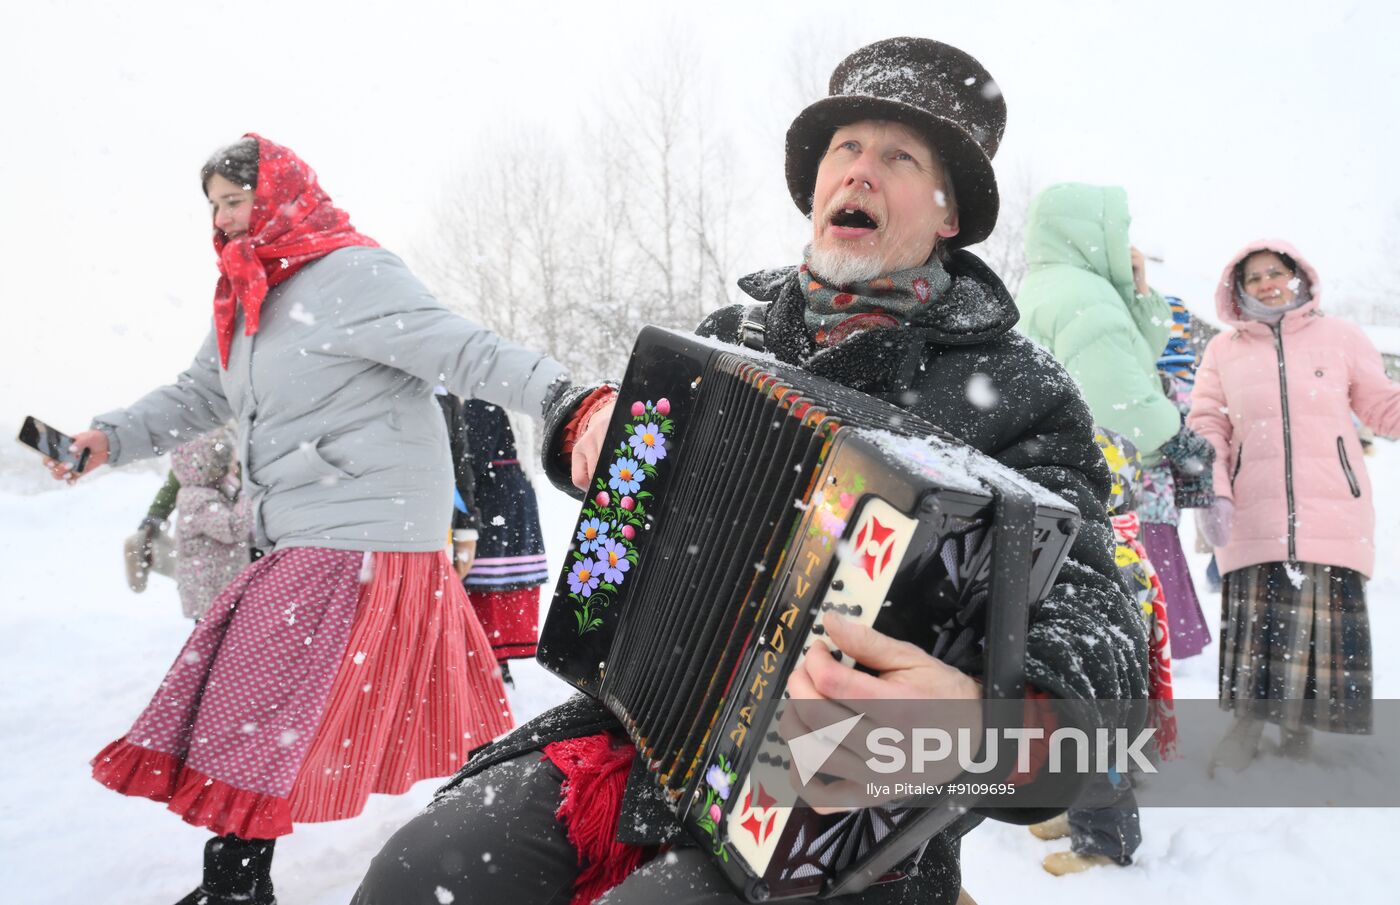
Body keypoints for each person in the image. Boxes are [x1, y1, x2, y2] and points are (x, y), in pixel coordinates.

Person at [353, 37, 1148, 905]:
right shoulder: (732, 337)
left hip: (836, 784)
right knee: (421, 872)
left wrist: (976, 722)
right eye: (845, 147)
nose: (860, 170)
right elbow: (642, 503)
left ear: (948, 213)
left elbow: (1097, 632)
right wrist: (592, 427)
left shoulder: (1023, 392)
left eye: (900, 157)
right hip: (645, 732)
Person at [42, 134, 570, 905]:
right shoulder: (245, 297)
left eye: (236, 200)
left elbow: (466, 351)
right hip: (308, 527)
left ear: (280, 195)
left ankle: (244, 886)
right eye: (214, 206)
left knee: (253, 702)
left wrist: (568, 401)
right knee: (306, 707)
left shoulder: (351, 272)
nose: (223, 219)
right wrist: (109, 438)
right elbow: (199, 394)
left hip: (362, 524)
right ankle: (478, 838)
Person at [1188, 240, 1400, 770]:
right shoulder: (1225, 350)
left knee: (1315, 633)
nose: (1267, 284)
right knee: (1257, 630)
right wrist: (1213, 489)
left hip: (1332, 508)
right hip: (1253, 510)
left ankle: (1299, 728)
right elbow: (1207, 423)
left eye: (1275, 273)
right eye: (1254, 278)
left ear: (1297, 277)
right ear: (1239, 289)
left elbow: (1382, 407)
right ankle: (1247, 722)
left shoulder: (1341, 337)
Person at [1016, 183, 1214, 658]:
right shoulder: (1086, 298)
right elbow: (1119, 401)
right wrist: (1177, 435)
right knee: (1126, 622)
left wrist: (1137, 289)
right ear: (1091, 233)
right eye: (1117, 231)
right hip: (1111, 483)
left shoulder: (1059, 285)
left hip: (1063, 478)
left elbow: (1144, 346)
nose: (1125, 243)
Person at [1029, 428, 1178, 875]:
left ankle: (1106, 843)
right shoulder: (1096, 542)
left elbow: (1118, 633)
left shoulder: (1114, 555)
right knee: (1072, 754)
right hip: (1090, 677)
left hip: (1108, 685)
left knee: (1099, 762)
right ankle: (1074, 811)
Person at [458, 398, 551, 683]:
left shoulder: (481, 400)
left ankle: (488, 657)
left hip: (494, 498)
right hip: (514, 495)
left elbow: (474, 457)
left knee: (484, 577)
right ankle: (497, 659)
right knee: (500, 579)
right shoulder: (507, 400)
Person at [168, 426, 253, 620]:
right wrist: (249, 496)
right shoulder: (199, 501)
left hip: (217, 588)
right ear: (212, 466)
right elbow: (233, 528)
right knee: (216, 636)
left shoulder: (214, 490)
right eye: (230, 460)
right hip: (209, 594)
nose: (235, 464)